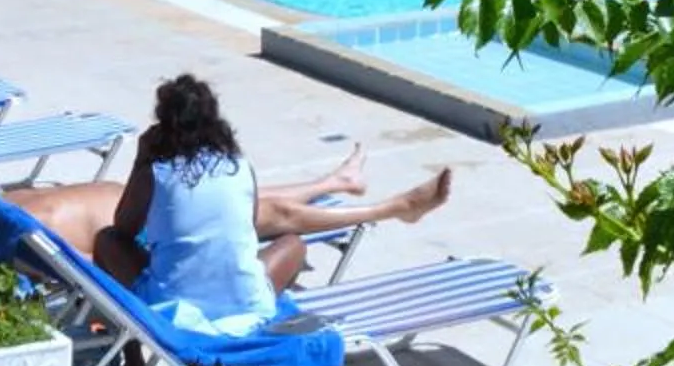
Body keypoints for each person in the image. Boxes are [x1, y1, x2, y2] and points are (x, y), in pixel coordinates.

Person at [92, 75, 434, 332]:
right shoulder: (239, 166)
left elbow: (123, 228)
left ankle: (131, 355)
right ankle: (347, 185)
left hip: (174, 311)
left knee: (107, 240)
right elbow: (248, 226)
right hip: (245, 306)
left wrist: (142, 158)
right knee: (292, 245)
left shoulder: (156, 172)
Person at [0, 140, 453, 266]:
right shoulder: (11, 219)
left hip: (147, 208)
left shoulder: (3, 201)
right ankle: (394, 209)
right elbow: (88, 263)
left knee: (243, 194)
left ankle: (336, 179)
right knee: (273, 218)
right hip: (157, 230)